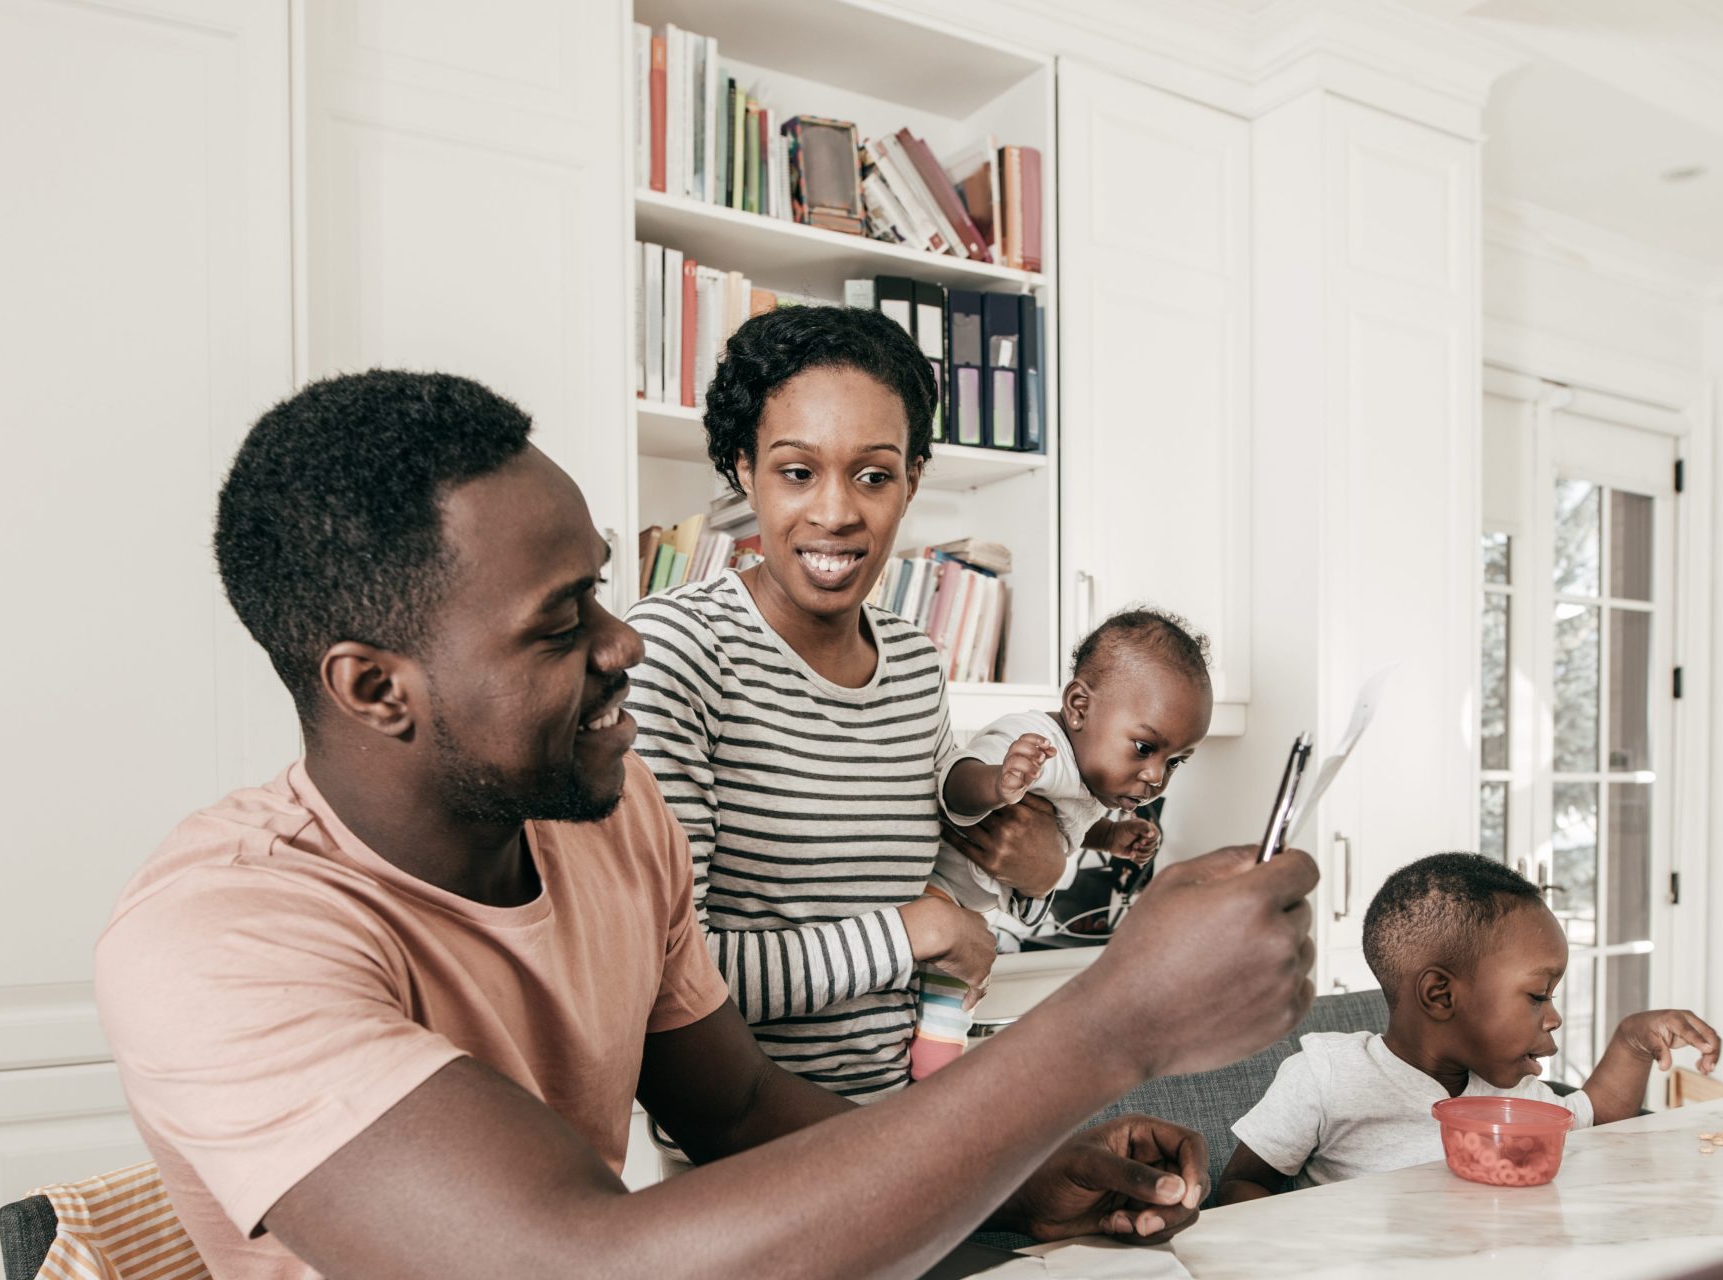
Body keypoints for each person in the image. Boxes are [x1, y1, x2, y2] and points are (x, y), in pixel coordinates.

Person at [92, 370, 1322, 1279]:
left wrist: (1020, 1170)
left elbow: (733, 1109)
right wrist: (1111, 1028)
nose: (626, 642)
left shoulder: (612, 825)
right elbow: (578, 1266)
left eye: (602, 591)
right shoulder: (216, 937)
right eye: (562, 619)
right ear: (375, 687)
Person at [626, 306, 1073, 1103]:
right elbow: (666, 976)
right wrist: (912, 933)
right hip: (739, 1151)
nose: (835, 512)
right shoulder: (677, 651)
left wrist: (1037, 866)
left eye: (873, 474)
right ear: (743, 468)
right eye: (797, 471)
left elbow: (962, 896)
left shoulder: (912, 662)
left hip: (908, 1123)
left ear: (913, 479)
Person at [1217, 852, 1720, 1200]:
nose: (1554, 1017)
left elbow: (1599, 1123)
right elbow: (1242, 1185)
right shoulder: (1326, 1075)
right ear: (1441, 996)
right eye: (1537, 995)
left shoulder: (1519, 1096)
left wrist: (1631, 1041)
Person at [913, 610, 1215, 1079]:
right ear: (1078, 706)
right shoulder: (1038, 746)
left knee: (952, 1016)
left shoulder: (1089, 782)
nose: (1157, 777)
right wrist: (997, 782)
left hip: (964, 915)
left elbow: (1069, 827)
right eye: (1144, 748)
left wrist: (1110, 837)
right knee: (943, 1026)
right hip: (932, 896)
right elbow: (953, 783)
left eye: (1175, 762)